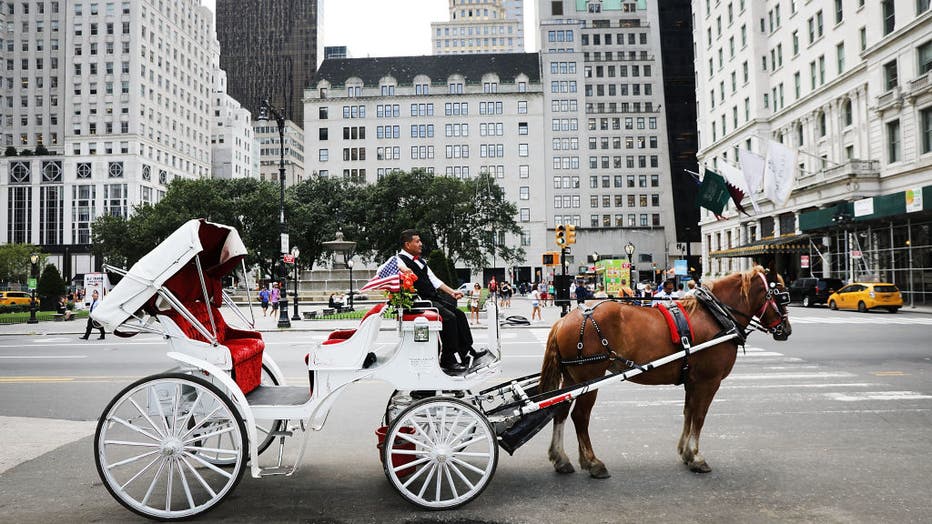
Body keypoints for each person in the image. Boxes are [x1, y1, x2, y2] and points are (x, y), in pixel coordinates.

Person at [390, 229, 486, 372]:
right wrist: (401, 268)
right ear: (407, 244)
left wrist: (452, 292)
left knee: (459, 315)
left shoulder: (421, 261)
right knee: (449, 318)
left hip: (432, 299)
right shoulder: (397, 260)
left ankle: (466, 351)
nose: (421, 244)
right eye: (417, 241)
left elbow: (434, 280)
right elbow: (382, 270)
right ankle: (447, 359)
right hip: (419, 302)